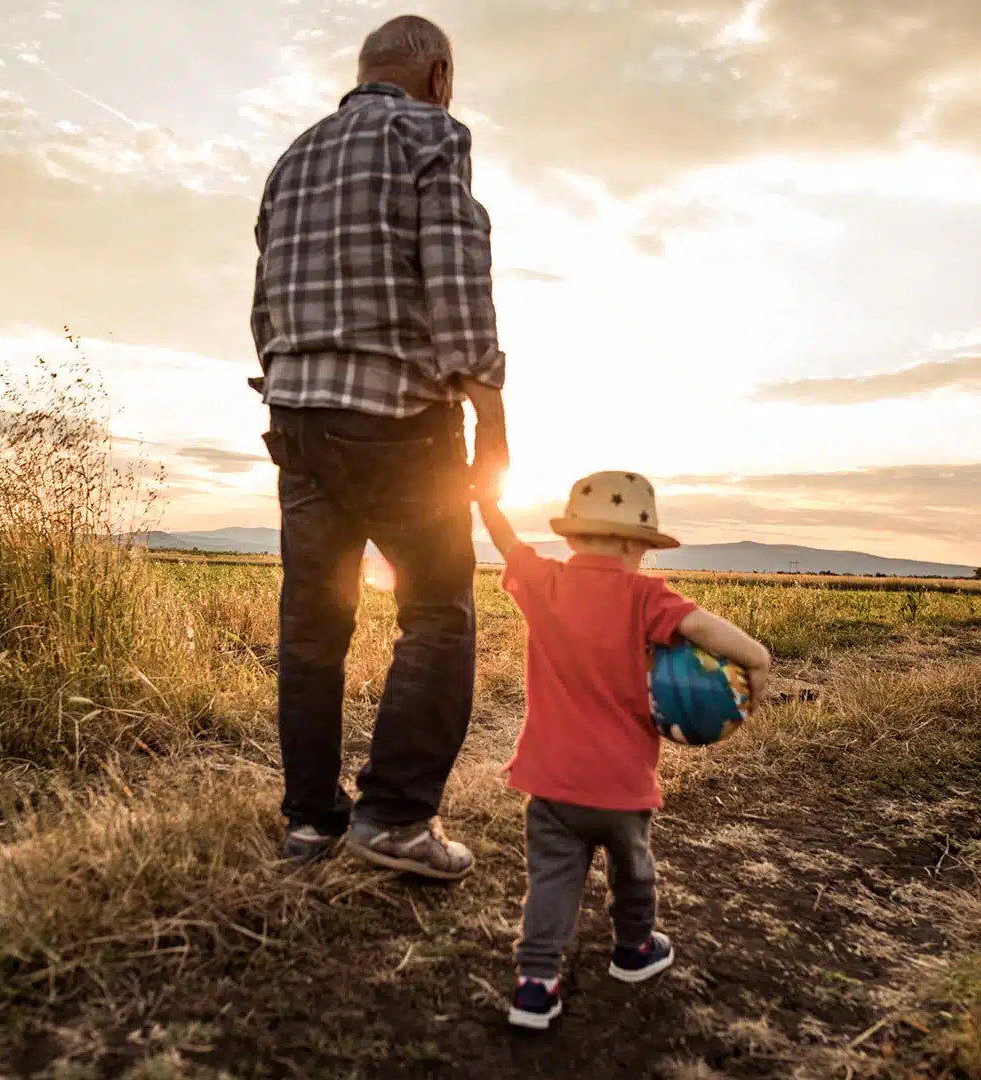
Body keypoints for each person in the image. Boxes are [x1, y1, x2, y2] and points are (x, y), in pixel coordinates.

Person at [248, 15, 508, 881]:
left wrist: (290, 385)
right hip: (397, 422)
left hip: (298, 419)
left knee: (312, 625)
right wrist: (492, 417)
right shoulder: (431, 133)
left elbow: (264, 305)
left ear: (364, 72)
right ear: (438, 76)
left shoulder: (293, 157)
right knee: (437, 612)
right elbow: (458, 281)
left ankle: (309, 824)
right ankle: (394, 818)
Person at [476, 472, 771, 1030]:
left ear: (571, 537)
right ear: (637, 545)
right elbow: (703, 628)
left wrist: (488, 502)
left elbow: (506, 541)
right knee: (634, 870)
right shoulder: (646, 596)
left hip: (551, 779)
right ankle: (634, 950)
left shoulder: (546, 582)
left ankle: (535, 985)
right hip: (622, 782)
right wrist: (757, 658)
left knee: (552, 881)